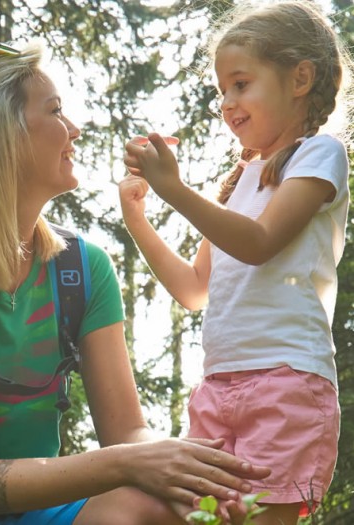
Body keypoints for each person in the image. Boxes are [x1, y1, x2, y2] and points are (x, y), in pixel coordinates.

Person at [0, 41, 269, 525]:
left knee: (162, 506)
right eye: (54, 111)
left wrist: (188, 466)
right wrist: (131, 463)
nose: (75, 129)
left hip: (30, 513)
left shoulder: (82, 269)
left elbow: (128, 432)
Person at [119, 1, 352, 524]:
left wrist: (174, 189)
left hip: (286, 383)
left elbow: (259, 242)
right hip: (218, 387)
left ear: (301, 78)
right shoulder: (240, 180)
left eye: (241, 84)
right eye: (222, 89)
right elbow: (194, 288)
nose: (227, 102)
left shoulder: (318, 154)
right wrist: (140, 220)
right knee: (200, 517)